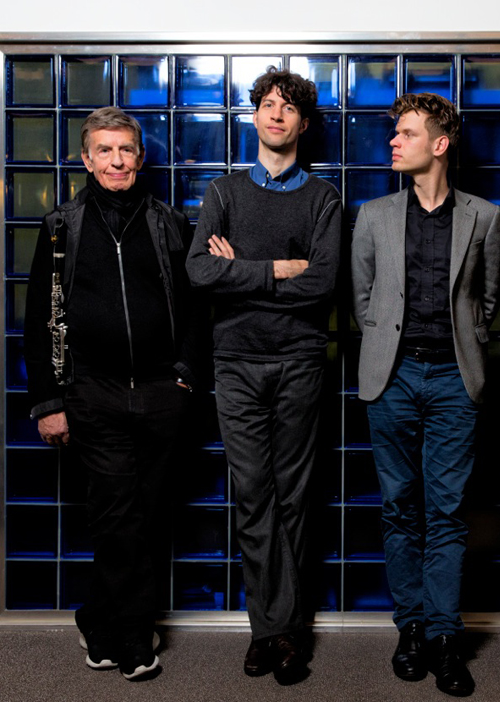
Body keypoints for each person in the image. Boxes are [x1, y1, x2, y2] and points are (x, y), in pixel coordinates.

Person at [24, 107, 205, 680]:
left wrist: (185, 375)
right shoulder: (61, 226)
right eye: (104, 150)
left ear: (140, 157)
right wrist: (50, 403)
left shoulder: (170, 223)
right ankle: (133, 638)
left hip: (161, 392)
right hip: (92, 393)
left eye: (125, 149)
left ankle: (96, 618)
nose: (117, 160)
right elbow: (39, 320)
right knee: (117, 516)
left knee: (144, 516)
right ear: (87, 159)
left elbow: (196, 309)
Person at [186, 67, 341, 685]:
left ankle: (286, 632)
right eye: (268, 105)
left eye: (288, 108)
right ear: (254, 116)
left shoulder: (323, 198)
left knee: (294, 496)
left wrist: (242, 274)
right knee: (253, 495)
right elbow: (200, 272)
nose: (276, 115)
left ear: (303, 124)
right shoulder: (223, 193)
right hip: (237, 363)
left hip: (300, 360)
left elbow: (323, 284)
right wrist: (279, 268)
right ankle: (270, 630)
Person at [351, 92, 500, 697]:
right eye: (396, 133)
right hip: (390, 378)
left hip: (453, 380)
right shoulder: (373, 215)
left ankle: (444, 636)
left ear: (440, 145)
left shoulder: (484, 216)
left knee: (447, 511)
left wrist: (463, 343)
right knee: (399, 507)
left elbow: (488, 301)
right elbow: (362, 299)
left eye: (407, 133)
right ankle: (410, 628)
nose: (394, 141)